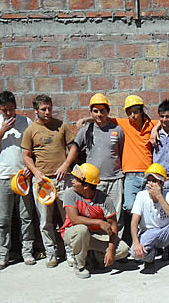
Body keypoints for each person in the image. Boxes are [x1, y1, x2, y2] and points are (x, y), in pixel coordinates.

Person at [78, 95, 159, 238]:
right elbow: (101, 118)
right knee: (128, 207)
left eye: (135, 112)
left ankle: (145, 239)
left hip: (148, 174)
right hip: (129, 175)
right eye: (129, 113)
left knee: (150, 207)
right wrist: (85, 119)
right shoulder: (123, 124)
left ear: (142, 111)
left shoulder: (151, 125)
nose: (132, 116)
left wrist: (156, 127)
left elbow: (167, 120)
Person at [21, 94, 76, 268]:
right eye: (43, 109)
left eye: (49, 108)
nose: (47, 112)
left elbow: (73, 147)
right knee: (45, 220)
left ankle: (71, 252)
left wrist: (66, 165)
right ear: (36, 110)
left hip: (62, 180)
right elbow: (26, 155)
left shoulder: (61, 126)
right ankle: (51, 253)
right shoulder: (31, 130)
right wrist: (36, 172)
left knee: (68, 218)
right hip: (42, 182)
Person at [0, 91, 36, 270]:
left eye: (11, 109)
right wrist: (2, 130)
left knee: (26, 217)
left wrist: (30, 167)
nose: (8, 113)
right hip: (2, 178)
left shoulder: (26, 122)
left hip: (22, 177)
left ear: (15, 105)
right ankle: (2, 255)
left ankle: (27, 252)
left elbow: (33, 149)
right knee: (3, 219)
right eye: (4, 110)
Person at [62, 163, 129, 279]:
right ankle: (80, 265)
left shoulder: (105, 199)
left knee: (123, 250)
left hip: (95, 235)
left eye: (76, 179)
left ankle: (96, 256)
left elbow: (113, 225)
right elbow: (74, 219)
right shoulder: (70, 193)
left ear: (86, 186)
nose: (72, 181)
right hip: (74, 234)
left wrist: (111, 251)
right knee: (82, 230)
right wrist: (98, 222)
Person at [72, 93, 125, 239]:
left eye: (102, 110)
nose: (99, 114)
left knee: (116, 216)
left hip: (115, 179)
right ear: (91, 112)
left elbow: (120, 152)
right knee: (97, 215)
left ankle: (116, 247)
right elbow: (75, 149)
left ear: (108, 111)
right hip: (94, 182)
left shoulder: (117, 130)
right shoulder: (86, 131)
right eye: (95, 111)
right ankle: (99, 249)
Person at [130, 163, 169, 274]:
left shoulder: (168, 195)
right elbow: (134, 222)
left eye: (155, 181)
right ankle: (150, 257)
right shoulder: (141, 196)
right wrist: (136, 242)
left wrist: (159, 196)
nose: (151, 184)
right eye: (149, 180)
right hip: (148, 232)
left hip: (164, 232)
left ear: (162, 183)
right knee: (134, 253)